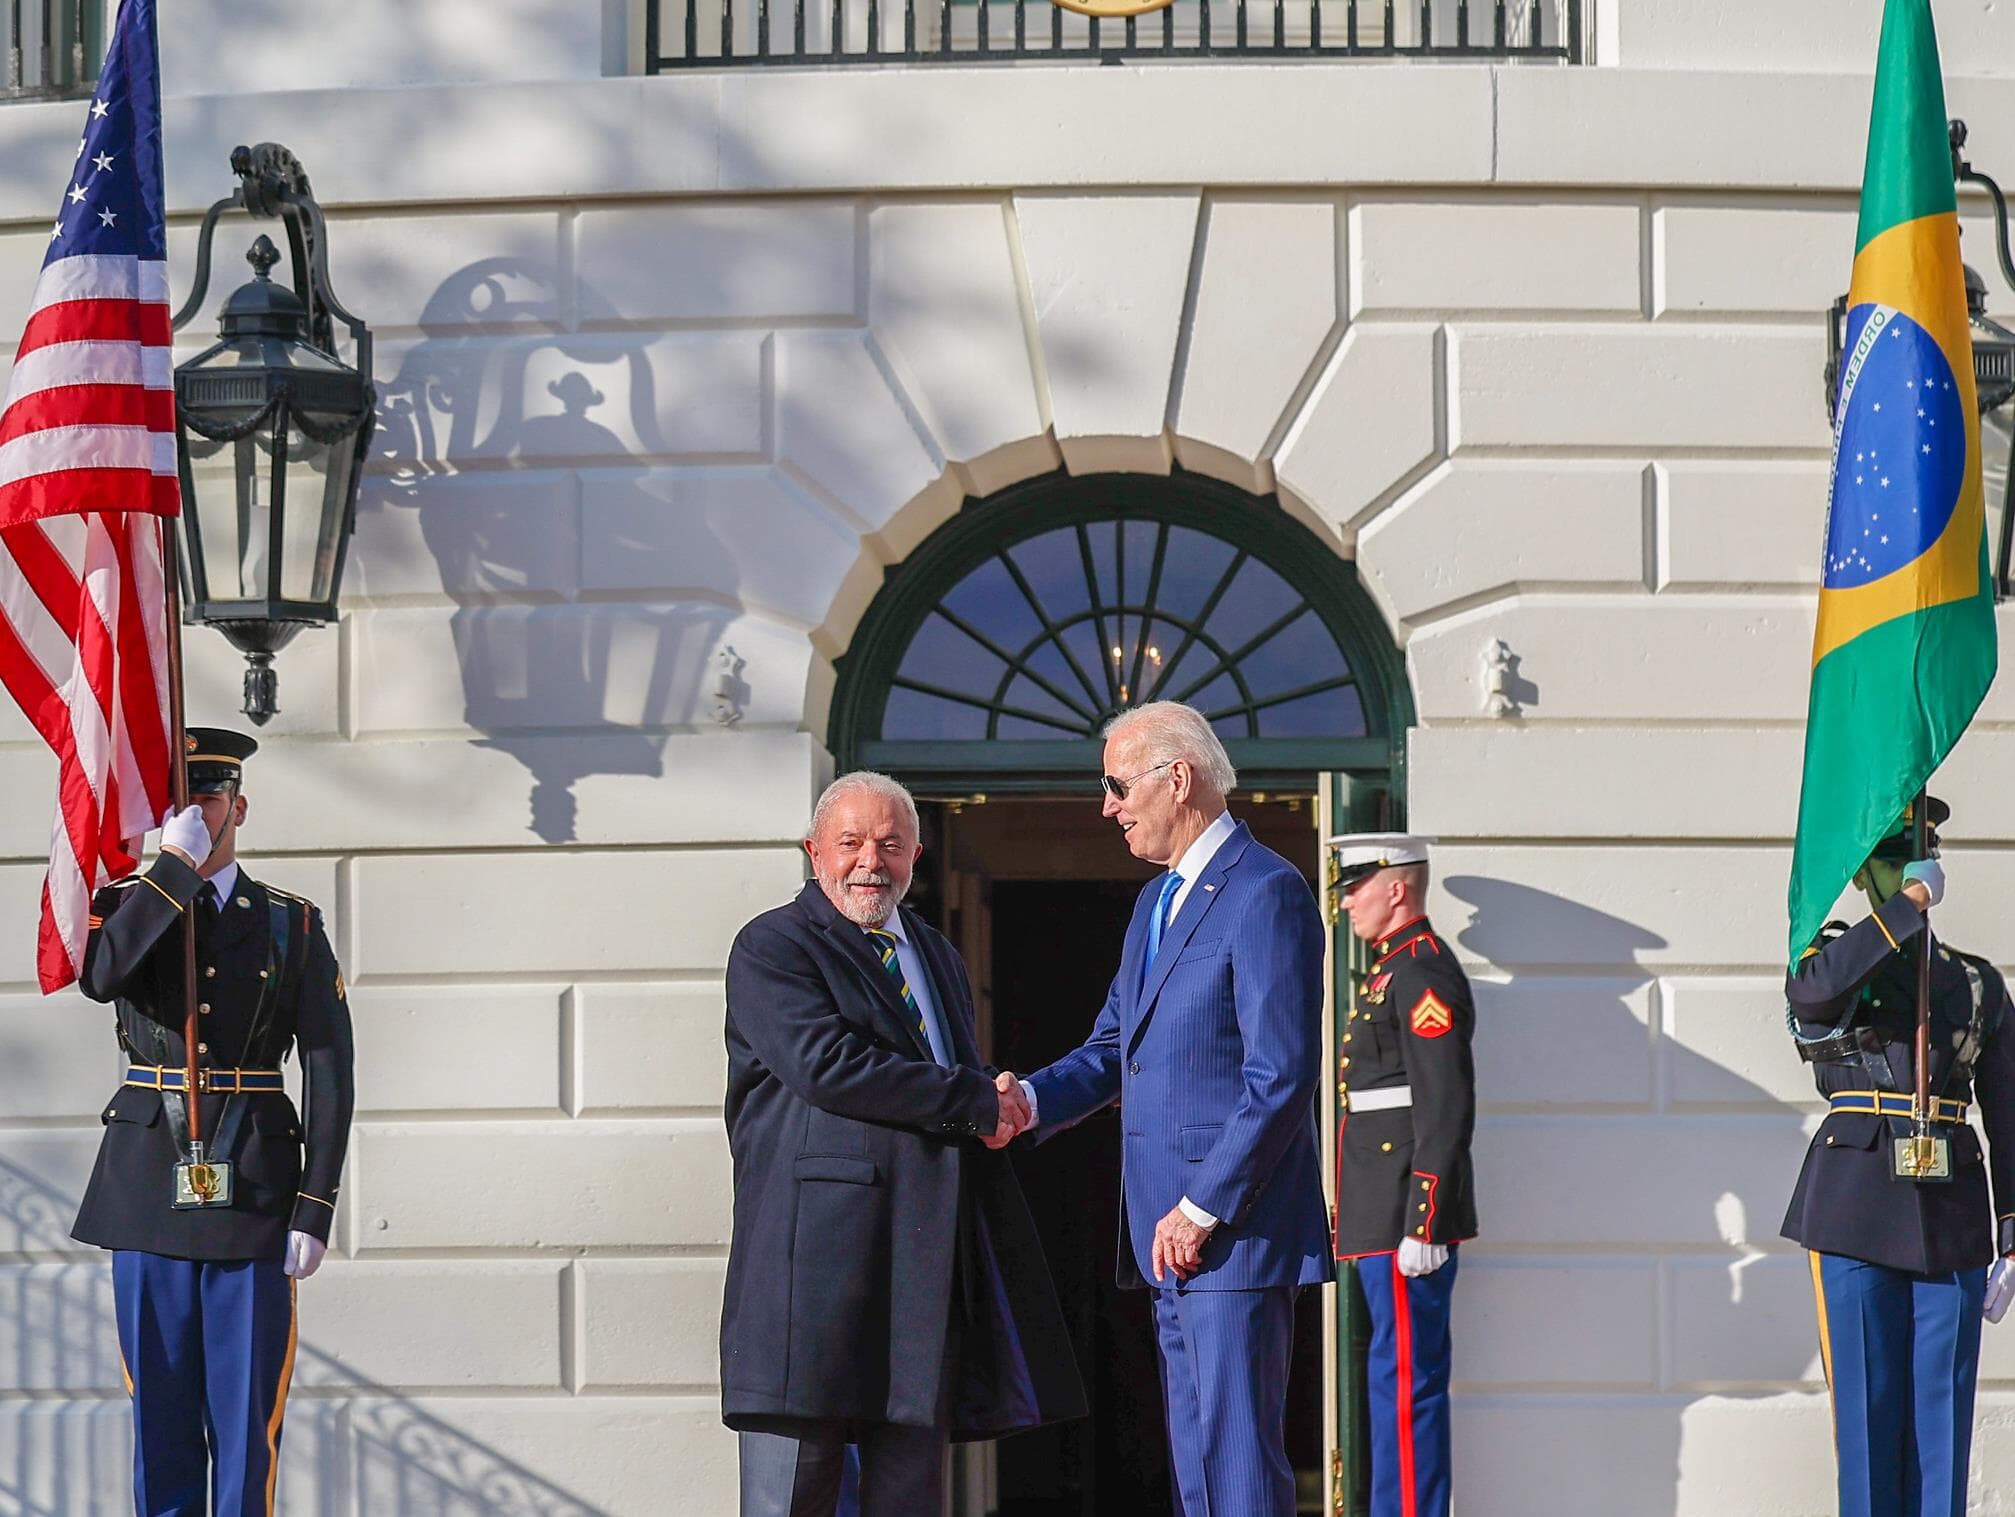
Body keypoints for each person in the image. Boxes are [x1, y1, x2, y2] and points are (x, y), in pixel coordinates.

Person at [720, 771, 1085, 1517]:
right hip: (810, 1278)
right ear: (813, 850)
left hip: (917, 1279)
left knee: (909, 1497)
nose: (869, 862)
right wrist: (978, 1100)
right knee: (790, 1498)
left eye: (890, 844)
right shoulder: (772, 944)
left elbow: (948, 1069)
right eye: (850, 842)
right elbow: (828, 1066)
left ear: (916, 853)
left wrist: (996, 1096)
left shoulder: (934, 951)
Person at [1001, 701, 1331, 1517]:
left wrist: (1200, 1206)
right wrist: (1026, 1100)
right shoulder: (1155, 905)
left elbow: (1281, 1074)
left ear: (1175, 777)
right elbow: (1116, 1046)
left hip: (1229, 1230)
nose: (1107, 807)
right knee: (1195, 1466)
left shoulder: (1265, 892)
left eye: (1116, 785)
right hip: (1168, 1237)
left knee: (1235, 1462)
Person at [72, 727, 355, 1515]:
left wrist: (316, 1202)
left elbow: (330, 1067)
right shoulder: (130, 904)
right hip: (146, 1191)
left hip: (255, 1194)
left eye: (208, 795)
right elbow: (100, 977)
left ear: (239, 805)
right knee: (160, 1423)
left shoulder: (288, 924)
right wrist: (172, 871)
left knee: (244, 1430)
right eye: (180, 799)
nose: (196, 809)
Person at [1781, 797, 2015, 1517]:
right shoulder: (1832, 959)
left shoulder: (1973, 980)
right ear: (1860, 874)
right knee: (1867, 1424)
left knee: (1940, 1431)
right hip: (1854, 1211)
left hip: (1948, 1215)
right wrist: (1904, 908)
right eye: (1890, 856)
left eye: (1921, 853)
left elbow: (2007, 1109)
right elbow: (1811, 995)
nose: (1912, 865)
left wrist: (2012, 1225)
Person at [1327, 833, 1477, 1517]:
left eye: (1355, 884)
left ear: (1396, 886)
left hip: (1400, 1214)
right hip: (1376, 1208)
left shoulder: (1420, 971)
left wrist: (1425, 1217)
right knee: (1388, 1379)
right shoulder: (1390, 969)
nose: (1346, 900)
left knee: (1406, 1383)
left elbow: (1443, 1102)